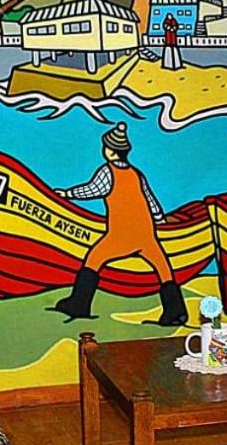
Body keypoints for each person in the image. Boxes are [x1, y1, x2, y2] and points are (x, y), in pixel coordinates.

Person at [53, 122, 187, 326]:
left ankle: (79, 304)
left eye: (106, 147)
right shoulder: (136, 173)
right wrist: (160, 219)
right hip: (146, 235)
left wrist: (67, 194)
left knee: (93, 259)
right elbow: (150, 199)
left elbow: (92, 189)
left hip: (121, 236)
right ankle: (175, 312)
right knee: (164, 269)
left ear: (111, 151)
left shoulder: (108, 172)